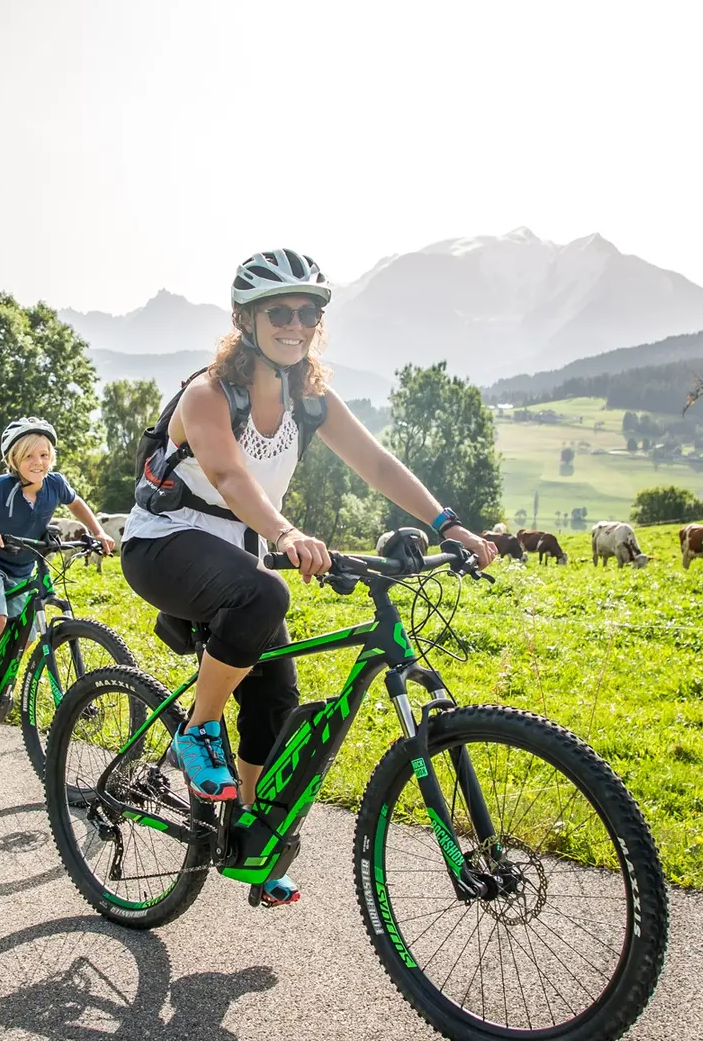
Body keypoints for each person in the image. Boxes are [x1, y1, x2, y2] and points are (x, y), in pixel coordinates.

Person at [121, 249, 497, 907]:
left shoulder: (310, 399)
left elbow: (377, 465)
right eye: (280, 312)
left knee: (274, 701)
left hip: (239, 553)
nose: (295, 324)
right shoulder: (207, 393)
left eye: (308, 313)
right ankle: (198, 728)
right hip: (164, 545)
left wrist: (448, 524)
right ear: (246, 318)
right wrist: (287, 534)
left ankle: (249, 842)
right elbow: (232, 476)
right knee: (266, 592)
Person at [0, 417, 118, 722]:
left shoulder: (55, 484)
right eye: (28, 456)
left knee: (26, 633)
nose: (38, 462)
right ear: (14, 460)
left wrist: (98, 531)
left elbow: (77, 504)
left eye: (43, 455)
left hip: (24, 561)